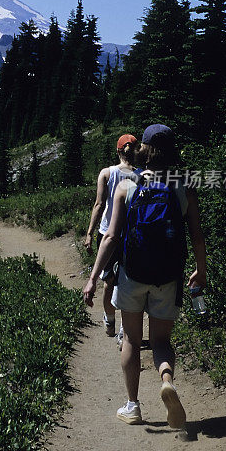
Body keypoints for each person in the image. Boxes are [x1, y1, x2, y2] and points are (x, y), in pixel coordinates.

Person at [83, 124, 207, 429]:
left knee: (132, 341)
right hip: (168, 276)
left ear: (145, 150)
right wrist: (200, 270)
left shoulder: (128, 185)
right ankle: (167, 380)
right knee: (162, 340)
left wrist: (92, 277)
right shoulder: (184, 185)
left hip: (132, 275)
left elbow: (111, 237)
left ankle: (133, 406)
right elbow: (197, 236)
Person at [84, 134, 139, 342]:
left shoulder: (106, 173)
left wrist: (89, 233)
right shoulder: (141, 175)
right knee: (128, 282)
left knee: (108, 281)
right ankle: (125, 328)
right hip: (132, 235)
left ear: (118, 151)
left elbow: (99, 205)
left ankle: (109, 320)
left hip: (107, 233)